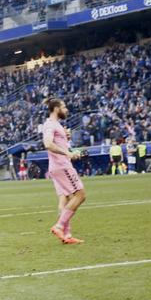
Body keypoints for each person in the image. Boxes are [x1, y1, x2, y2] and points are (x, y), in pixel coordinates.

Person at [43, 98, 86, 244]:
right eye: (64, 107)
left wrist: (66, 140)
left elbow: (57, 143)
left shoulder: (57, 125)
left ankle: (67, 236)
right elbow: (48, 143)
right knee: (80, 195)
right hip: (62, 166)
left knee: (66, 199)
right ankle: (59, 226)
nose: (67, 109)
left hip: (57, 166)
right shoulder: (50, 125)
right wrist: (67, 154)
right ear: (56, 109)